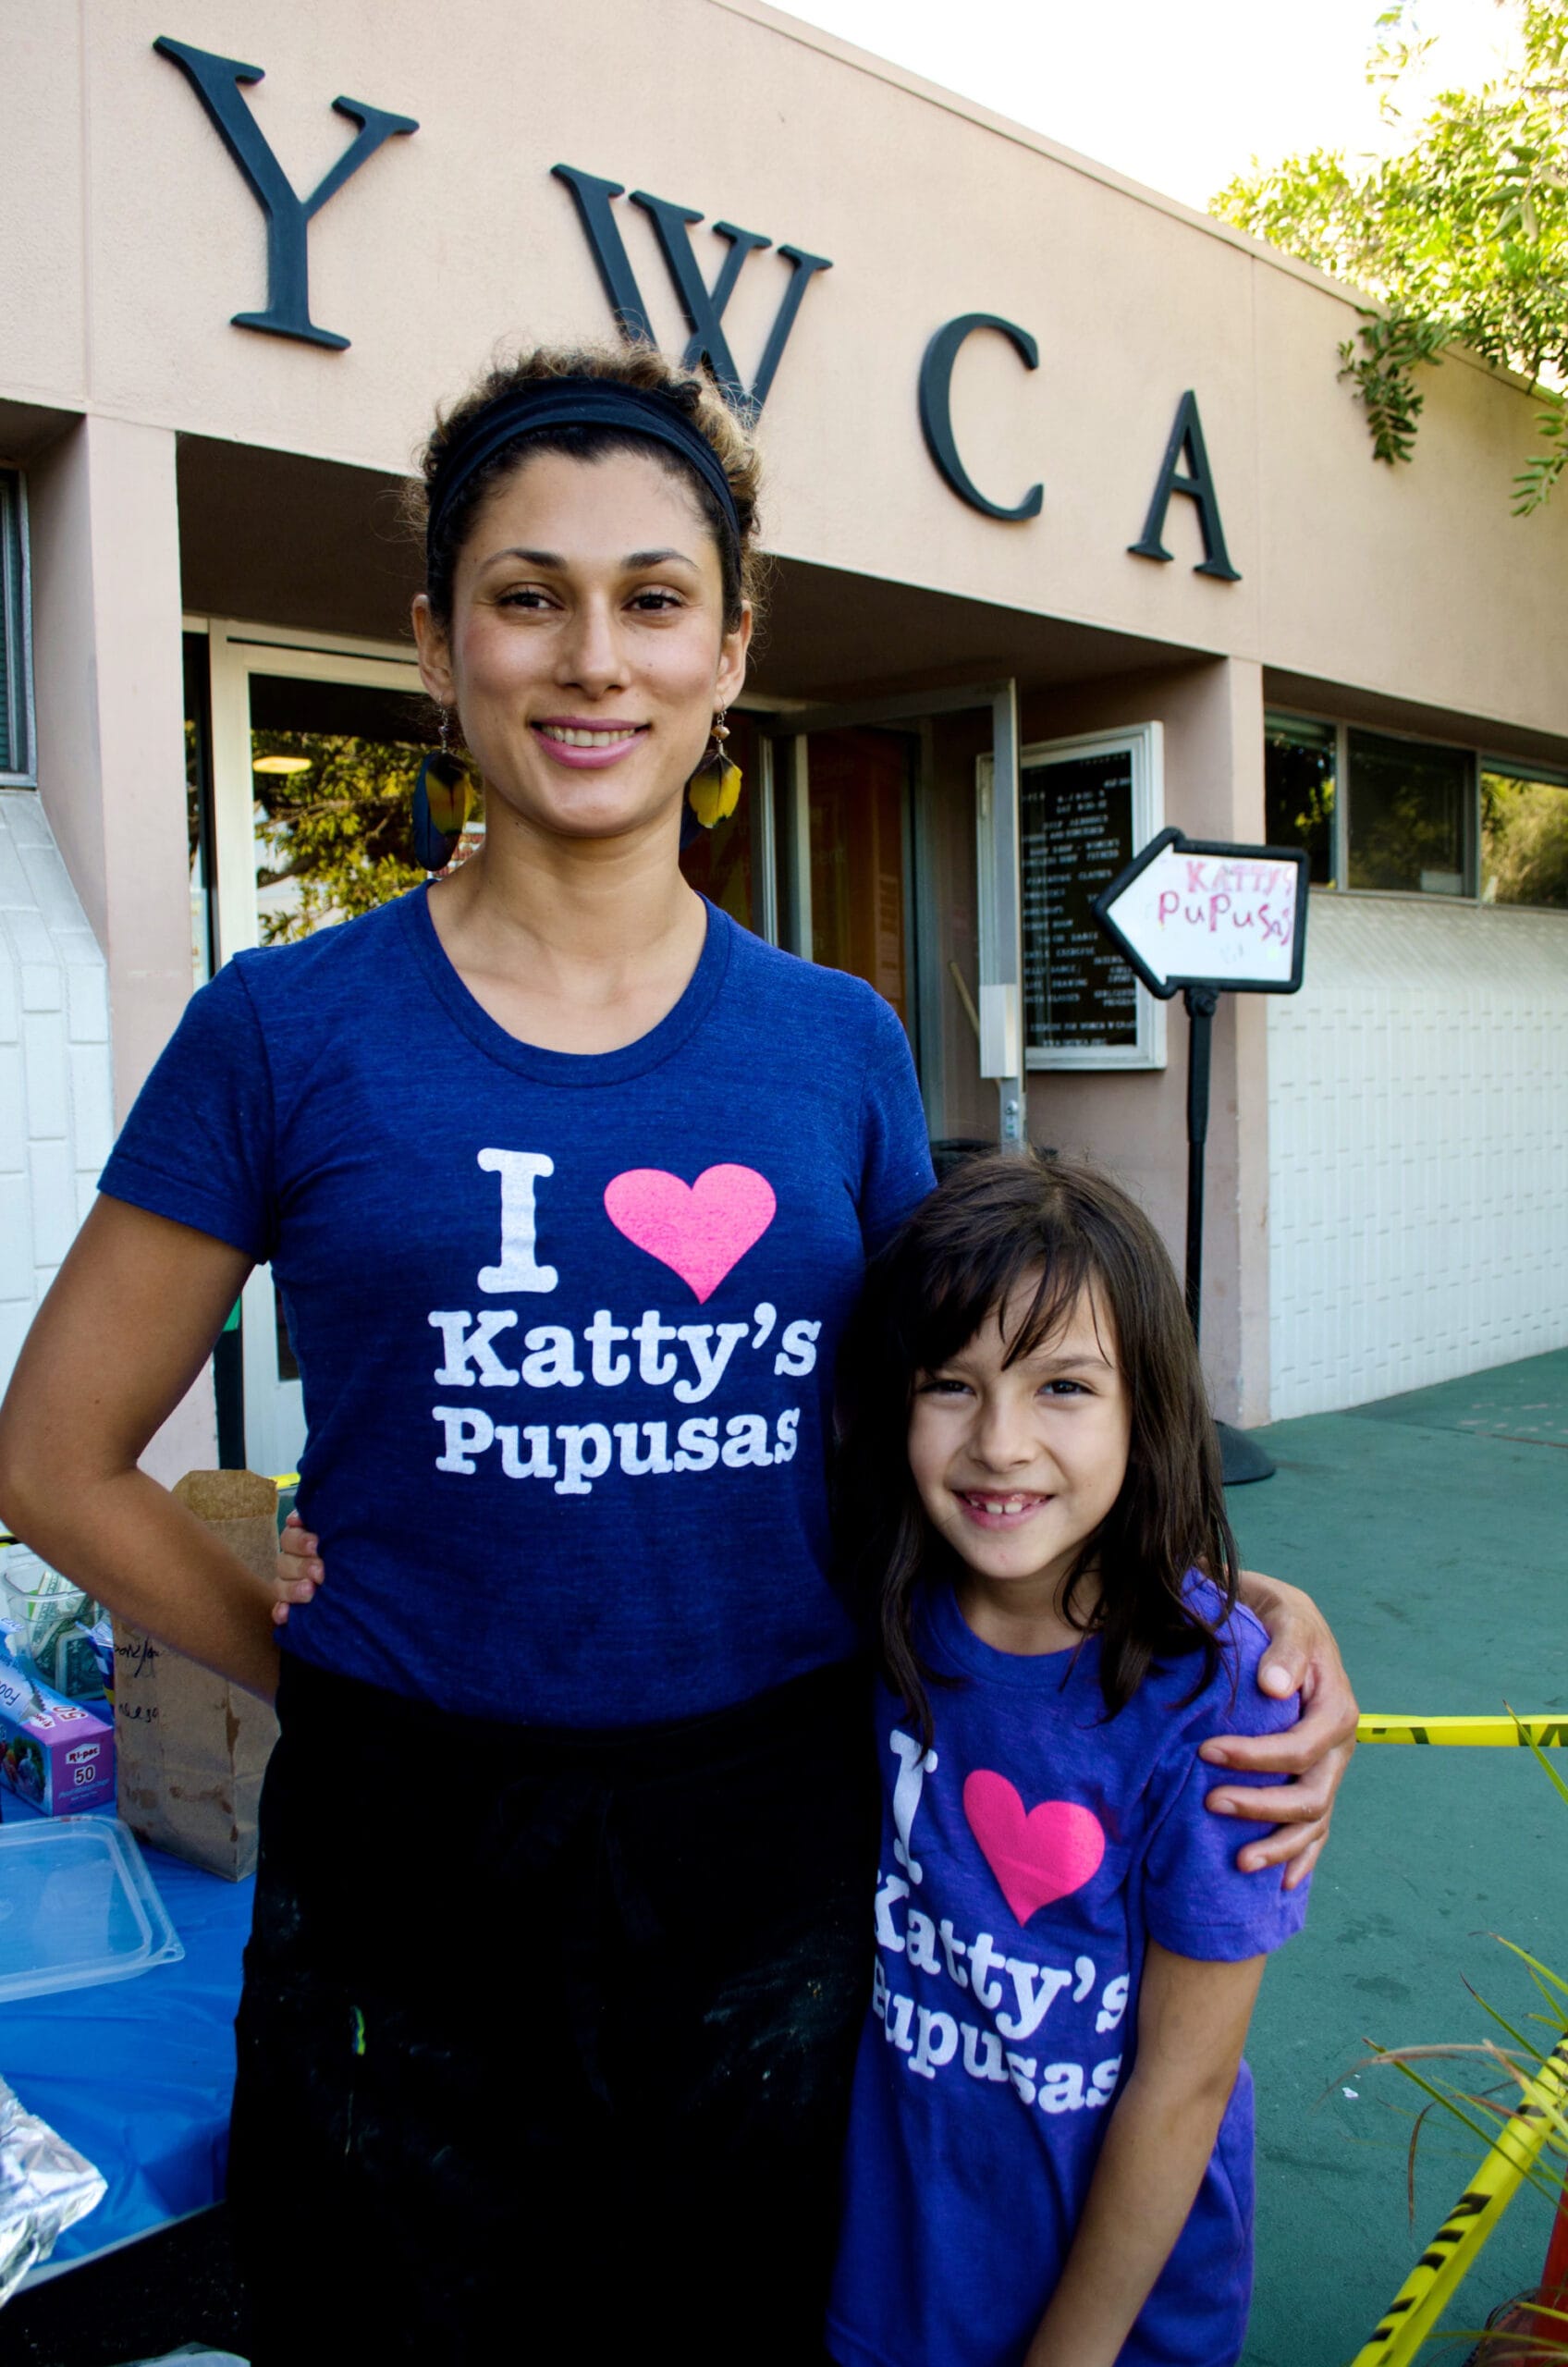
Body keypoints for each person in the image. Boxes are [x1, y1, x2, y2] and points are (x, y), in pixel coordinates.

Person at [0, 343, 1352, 2365]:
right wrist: (357, 1671)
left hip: (772, 1852)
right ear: (437, 645)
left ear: (730, 648)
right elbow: (54, 1453)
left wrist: (1223, 1591)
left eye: (650, 598)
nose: (588, 658)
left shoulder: (833, 1048)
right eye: (524, 593)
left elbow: (963, 1425)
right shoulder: (284, 1030)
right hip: (403, 1880)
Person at [825, 1151, 1311, 2367]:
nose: (1000, 1441)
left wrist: (1074, 2354)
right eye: (952, 1383)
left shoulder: (1220, 1707)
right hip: (893, 2288)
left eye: (1064, 1388)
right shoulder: (874, 1621)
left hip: (1115, 2318)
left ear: (1147, 1405)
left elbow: (1184, 2086)